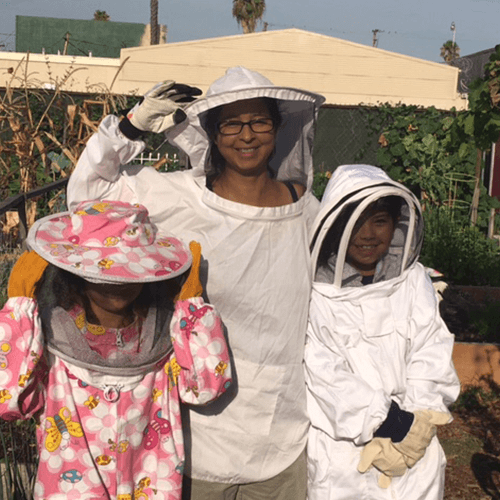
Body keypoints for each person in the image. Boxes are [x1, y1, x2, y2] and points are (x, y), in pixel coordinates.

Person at [67, 67, 325, 498]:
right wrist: (131, 127)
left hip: (281, 437)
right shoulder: (175, 197)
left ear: (278, 127)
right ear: (213, 132)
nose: (246, 135)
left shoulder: (308, 211)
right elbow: (88, 205)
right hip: (197, 438)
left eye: (259, 121)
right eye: (231, 123)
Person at [0, 200, 231, 499]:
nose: (116, 282)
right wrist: (18, 312)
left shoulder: (165, 336)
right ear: (74, 274)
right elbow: (8, 399)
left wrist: (192, 308)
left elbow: (207, 386)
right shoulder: (51, 343)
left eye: (126, 271)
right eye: (103, 272)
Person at [305, 164, 460, 500]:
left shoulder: (412, 281)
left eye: (380, 221)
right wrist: (386, 422)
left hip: (414, 453)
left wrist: (416, 421)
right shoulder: (315, 293)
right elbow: (320, 370)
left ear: (397, 226)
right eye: (356, 222)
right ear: (337, 227)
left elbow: (430, 347)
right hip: (345, 456)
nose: (368, 234)